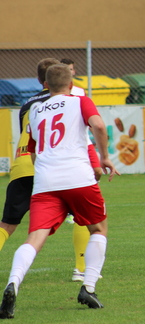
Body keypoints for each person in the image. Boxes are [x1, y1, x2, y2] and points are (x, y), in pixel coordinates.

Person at [0, 64, 119, 319]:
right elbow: (97, 125)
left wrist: (45, 170)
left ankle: (13, 283)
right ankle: (88, 287)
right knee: (98, 228)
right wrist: (105, 157)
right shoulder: (80, 101)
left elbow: (31, 150)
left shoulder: (35, 110)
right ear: (71, 82)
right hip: (78, 178)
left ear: (45, 84)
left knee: (34, 237)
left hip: (45, 182)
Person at [0, 58, 97, 283]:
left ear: (38, 80)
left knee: (7, 224)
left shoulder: (27, 105)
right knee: (83, 218)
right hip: (54, 166)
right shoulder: (74, 98)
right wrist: (94, 163)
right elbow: (84, 134)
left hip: (23, 164)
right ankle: (81, 270)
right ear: (66, 80)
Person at [61, 58, 103, 281]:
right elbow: (95, 125)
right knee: (91, 216)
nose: (68, 74)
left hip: (55, 160)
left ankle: (80, 267)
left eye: (70, 70)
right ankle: (82, 269)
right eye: (64, 71)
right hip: (74, 156)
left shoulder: (80, 92)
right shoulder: (62, 97)